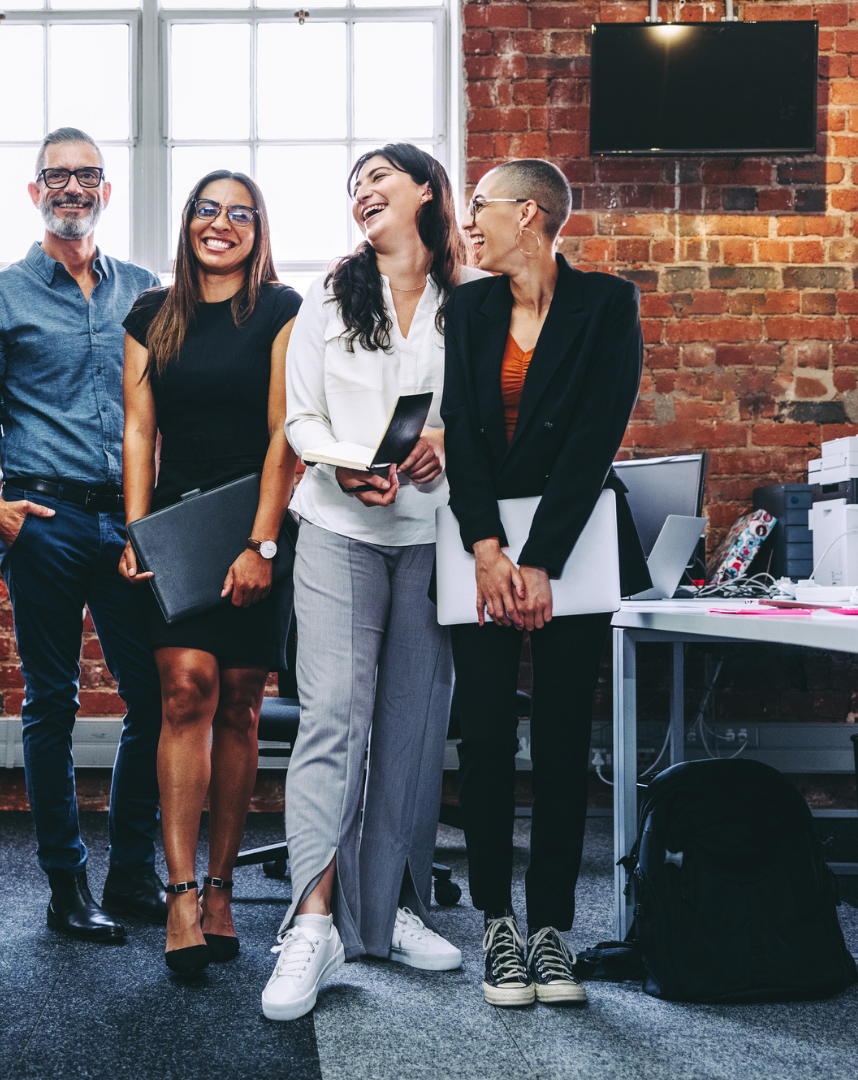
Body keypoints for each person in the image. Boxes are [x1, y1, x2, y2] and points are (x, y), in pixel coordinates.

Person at [262, 144, 482, 1020]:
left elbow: (492, 408)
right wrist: (348, 464)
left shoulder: (470, 304)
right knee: (334, 722)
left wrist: (448, 444)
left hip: (436, 536)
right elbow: (301, 417)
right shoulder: (327, 295)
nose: (363, 193)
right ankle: (311, 923)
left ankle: (389, 909)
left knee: (413, 729)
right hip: (340, 527)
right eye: (354, 186)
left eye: (377, 178)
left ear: (425, 190)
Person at [440, 158, 648, 1008]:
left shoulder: (607, 304)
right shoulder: (468, 306)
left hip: (570, 548)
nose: (467, 224)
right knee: (486, 739)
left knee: (563, 742)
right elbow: (461, 429)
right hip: (481, 550)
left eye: (479, 207)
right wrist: (488, 549)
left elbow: (594, 441)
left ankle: (552, 929)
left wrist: (539, 562)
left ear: (528, 214)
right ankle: (497, 924)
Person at [0, 129, 167, 942]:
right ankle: (65, 883)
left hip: (129, 520)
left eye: (87, 176)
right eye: (58, 175)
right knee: (52, 701)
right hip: (43, 517)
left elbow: (163, 411)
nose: (72, 187)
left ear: (107, 191)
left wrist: (152, 518)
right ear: (34, 190)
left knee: (149, 697)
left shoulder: (147, 290)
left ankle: (130, 873)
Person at [118, 171, 304, 974]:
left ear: (259, 229)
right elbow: (138, 431)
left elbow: (283, 435)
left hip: (255, 526)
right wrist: (139, 533)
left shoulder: (282, 311)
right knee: (185, 688)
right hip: (180, 528)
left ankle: (223, 886)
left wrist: (260, 545)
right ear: (187, 222)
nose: (219, 224)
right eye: (205, 210)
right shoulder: (149, 315)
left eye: (239, 213)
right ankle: (182, 891)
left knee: (238, 706)